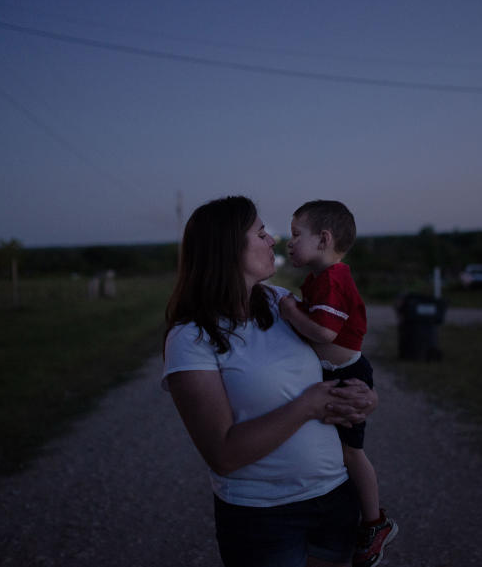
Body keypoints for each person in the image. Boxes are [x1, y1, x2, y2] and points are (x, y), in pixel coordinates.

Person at [162, 195, 379, 567]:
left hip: (334, 498)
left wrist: (365, 398)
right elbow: (224, 455)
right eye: (261, 233)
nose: (273, 241)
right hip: (264, 517)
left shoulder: (283, 303)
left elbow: (338, 364)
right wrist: (308, 405)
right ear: (227, 248)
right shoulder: (190, 338)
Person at [280, 200, 398, 567]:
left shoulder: (334, 279)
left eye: (296, 235)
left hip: (347, 375)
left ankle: (375, 522)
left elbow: (323, 330)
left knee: (350, 453)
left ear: (324, 239)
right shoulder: (319, 278)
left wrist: (288, 310)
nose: (288, 243)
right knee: (333, 448)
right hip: (334, 372)